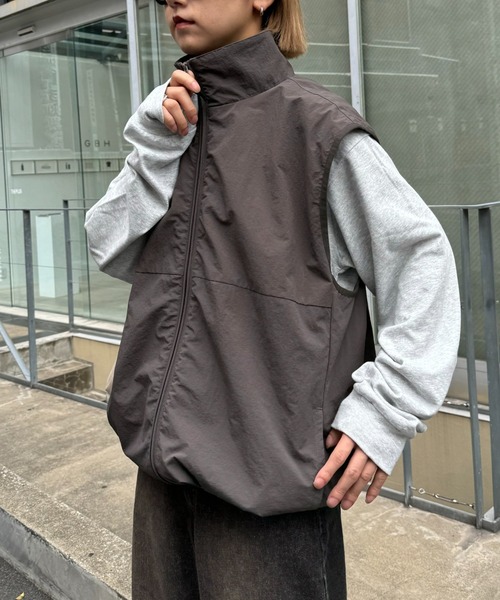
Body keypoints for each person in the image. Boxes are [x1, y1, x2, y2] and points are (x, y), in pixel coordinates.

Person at [85, 0, 461, 598]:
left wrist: (383, 412)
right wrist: (153, 149)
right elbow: (110, 248)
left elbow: (422, 262)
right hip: (161, 477)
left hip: (266, 499)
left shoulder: (318, 129)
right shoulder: (173, 124)